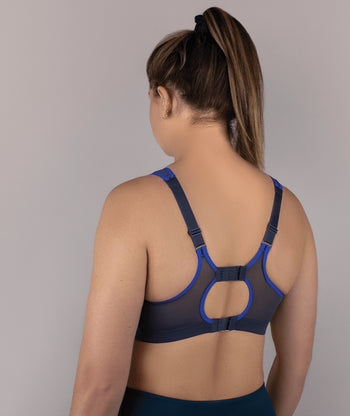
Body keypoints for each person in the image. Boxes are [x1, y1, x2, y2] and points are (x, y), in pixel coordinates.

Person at [69, 6, 317, 416]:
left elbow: (100, 385)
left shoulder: (133, 204)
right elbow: (296, 366)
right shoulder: (291, 211)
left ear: (164, 99)